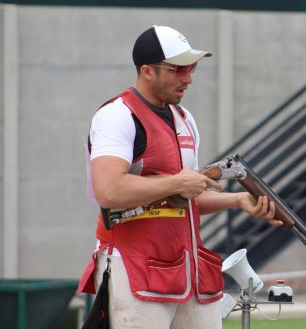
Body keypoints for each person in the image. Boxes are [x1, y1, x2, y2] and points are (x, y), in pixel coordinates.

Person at [77, 25, 281, 329]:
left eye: (192, 67)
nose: (189, 77)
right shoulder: (117, 114)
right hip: (134, 266)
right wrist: (178, 182)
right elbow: (109, 190)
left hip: (187, 267)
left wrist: (238, 199)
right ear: (147, 71)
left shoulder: (184, 119)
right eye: (178, 68)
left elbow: (186, 196)